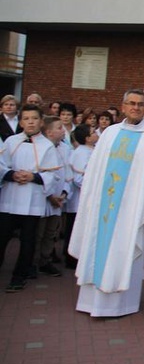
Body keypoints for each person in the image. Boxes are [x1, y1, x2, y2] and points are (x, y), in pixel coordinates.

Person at [69, 89, 144, 317]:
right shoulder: (111, 133)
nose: (135, 107)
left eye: (141, 104)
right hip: (103, 205)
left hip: (131, 211)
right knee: (97, 246)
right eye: (131, 103)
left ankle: (120, 306)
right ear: (123, 107)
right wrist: (91, 197)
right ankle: (89, 302)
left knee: (124, 250)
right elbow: (94, 169)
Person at [0, 105, 59, 292]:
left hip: (32, 200)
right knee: (2, 238)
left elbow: (53, 175)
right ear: (21, 121)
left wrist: (34, 176)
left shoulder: (47, 146)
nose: (30, 122)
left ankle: (20, 275)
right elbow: (1, 165)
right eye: (26, 118)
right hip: (10, 197)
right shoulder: (10, 141)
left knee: (28, 240)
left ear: (41, 122)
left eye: (34, 118)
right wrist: (11, 174)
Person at [34, 115, 72, 279]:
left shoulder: (65, 149)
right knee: (38, 233)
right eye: (59, 128)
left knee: (51, 233)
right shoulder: (40, 147)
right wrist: (50, 196)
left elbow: (67, 173)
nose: (63, 130)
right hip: (43, 198)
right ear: (49, 132)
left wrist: (63, 193)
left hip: (58, 199)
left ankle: (45, 260)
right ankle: (31, 262)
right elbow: (41, 174)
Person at [64, 124, 97, 270]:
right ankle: (71, 258)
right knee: (73, 229)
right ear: (87, 138)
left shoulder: (93, 150)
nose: (96, 134)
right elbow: (78, 178)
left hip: (90, 199)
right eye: (93, 132)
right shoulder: (80, 153)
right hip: (79, 200)